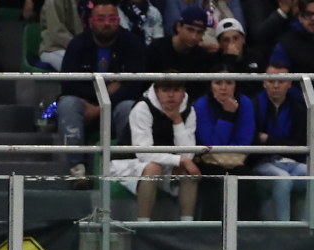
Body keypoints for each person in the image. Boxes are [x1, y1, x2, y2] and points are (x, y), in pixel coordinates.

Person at [58, 0, 147, 186]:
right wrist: (104, 93)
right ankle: (77, 169)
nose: (107, 23)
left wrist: (101, 107)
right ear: (91, 22)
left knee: (130, 106)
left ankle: (122, 164)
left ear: (118, 21)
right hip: (85, 107)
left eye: (112, 19)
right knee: (67, 103)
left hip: (116, 107)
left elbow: (135, 86)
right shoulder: (77, 44)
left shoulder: (133, 43)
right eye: (101, 19)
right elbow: (67, 84)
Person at [110, 76, 201, 221]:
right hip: (128, 161)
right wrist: (181, 159)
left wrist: (177, 121)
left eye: (176, 90)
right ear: (156, 91)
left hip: (163, 162)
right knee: (152, 168)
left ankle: (187, 225)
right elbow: (143, 153)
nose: (171, 95)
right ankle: (144, 227)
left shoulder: (189, 111)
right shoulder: (142, 108)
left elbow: (187, 155)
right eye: (165, 90)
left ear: (184, 92)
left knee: (187, 170)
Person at [194, 59, 256, 219]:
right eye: (218, 82)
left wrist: (228, 155)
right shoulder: (201, 105)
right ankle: (211, 230)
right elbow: (211, 142)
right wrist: (227, 115)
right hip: (209, 161)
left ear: (236, 84)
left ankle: (247, 231)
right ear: (210, 84)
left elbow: (244, 140)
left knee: (245, 177)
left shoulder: (246, 103)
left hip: (236, 159)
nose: (223, 87)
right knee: (217, 177)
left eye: (229, 82)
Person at [252, 61, 308, 221]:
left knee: (311, 174)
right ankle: (283, 231)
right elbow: (253, 142)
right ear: (264, 82)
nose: (276, 85)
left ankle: (307, 230)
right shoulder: (253, 105)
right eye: (271, 81)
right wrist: (284, 144)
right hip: (261, 163)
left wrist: (268, 139)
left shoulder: (298, 108)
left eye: (281, 81)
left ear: (289, 83)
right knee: (283, 179)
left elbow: (300, 144)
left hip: (291, 162)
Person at [146, 6, 216, 96]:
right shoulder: (156, 49)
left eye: (199, 32)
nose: (194, 36)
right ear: (179, 26)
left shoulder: (202, 57)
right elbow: (146, 85)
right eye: (190, 29)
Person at [164, 0, 246, 49]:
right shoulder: (176, 1)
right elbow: (171, 30)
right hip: (194, 49)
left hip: (226, 49)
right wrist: (199, 44)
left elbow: (241, 29)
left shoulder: (232, 1)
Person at [244, 0, 301, 66]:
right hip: (265, 58)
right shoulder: (255, 2)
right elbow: (259, 33)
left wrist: (297, 14)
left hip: (295, 53)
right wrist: (282, 11)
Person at [274, 0, 314, 81]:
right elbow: (278, 81)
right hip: (299, 92)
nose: (313, 18)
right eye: (308, 14)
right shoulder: (286, 44)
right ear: (300, 17)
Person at [39, 0, 84, 69]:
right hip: (54, 48)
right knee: (77, 67)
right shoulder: (53, 1)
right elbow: (56, 32)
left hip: (82, 48)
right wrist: (79, 46)